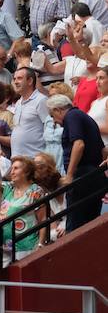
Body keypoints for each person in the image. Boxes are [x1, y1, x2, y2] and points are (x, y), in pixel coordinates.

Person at [45, 94, 108, 231]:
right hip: (94, 176)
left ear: (58, 110)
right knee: (90, 226)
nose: (54, 122)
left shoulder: (72, 116)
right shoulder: (82, 117)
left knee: (75, 226)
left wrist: (69, 175)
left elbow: (79, 144)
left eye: (52, 115)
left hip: (83, 177)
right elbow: (103, 150)